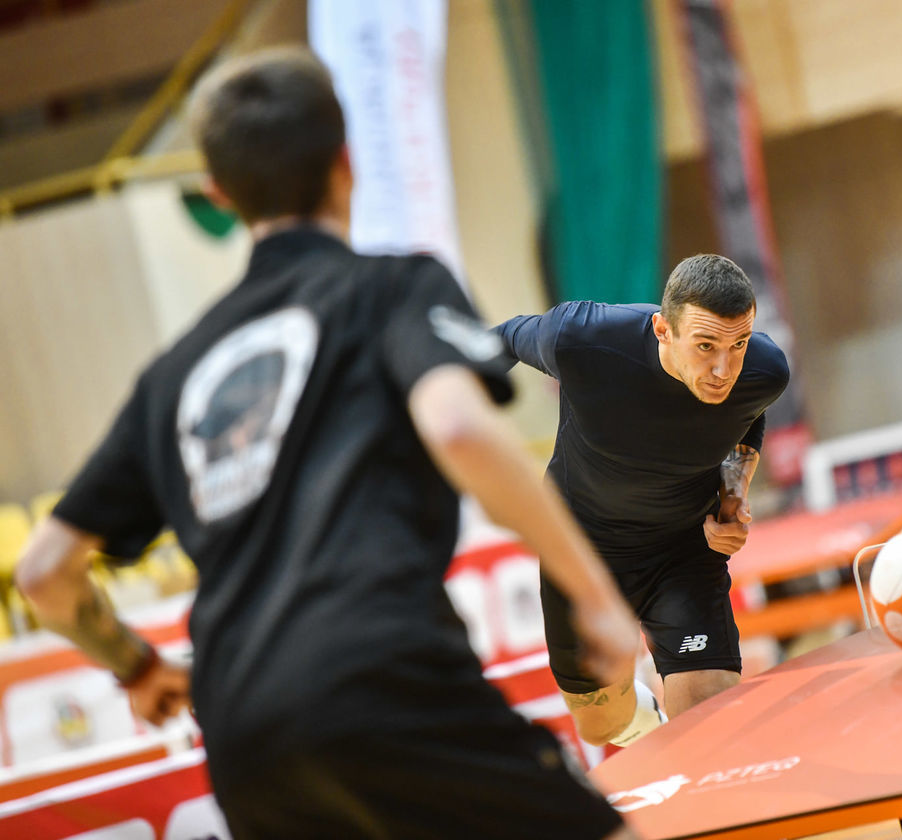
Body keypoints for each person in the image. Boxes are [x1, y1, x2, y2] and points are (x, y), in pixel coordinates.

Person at [16, 47, 641, 840]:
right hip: (385, 678)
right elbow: (457, 427)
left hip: (243, 735)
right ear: (348, 163)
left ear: (218, 193)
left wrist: (134, 664)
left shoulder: (170, 376)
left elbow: (44, 573)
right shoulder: (392, 288)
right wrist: (595, 595)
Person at [494, 254, 790, 747]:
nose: (724, 369)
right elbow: (504, 337)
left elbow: (749, 416)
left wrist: (732, 496)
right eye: (705, 346)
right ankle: (648, 724)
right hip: (582, 553)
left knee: (710, 727)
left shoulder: (764, 372)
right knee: (601, 726)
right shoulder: (582, 339)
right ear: (662, 330)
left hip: (683, 553)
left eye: (738, 344)